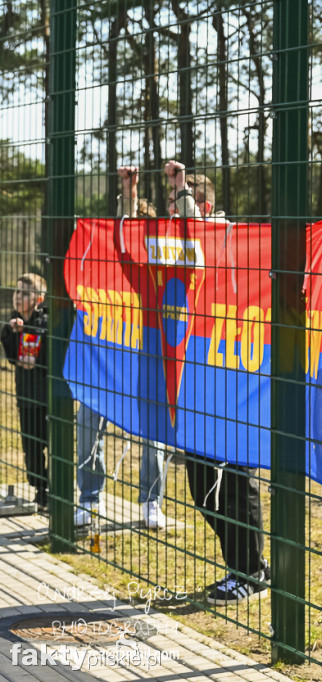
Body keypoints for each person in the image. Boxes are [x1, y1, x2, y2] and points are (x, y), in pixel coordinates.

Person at [164, 159, 268, 605]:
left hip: (230, 379)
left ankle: (251, 572)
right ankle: (241, 567)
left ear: (202, 204)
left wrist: (180, 186)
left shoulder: (223, 237)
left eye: (179, 202)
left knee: (235, 481)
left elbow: (195, 230)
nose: (171, 211)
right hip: (192, 386)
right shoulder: (177, 247)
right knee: (203, 490)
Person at [75, 165, 168, 530]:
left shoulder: (162, 263)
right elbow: (119, 236)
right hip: (110, 357)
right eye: (131, 229)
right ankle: (88, 499)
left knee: (155, 430)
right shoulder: (113, 261)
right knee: (87, 421)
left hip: (150, 357)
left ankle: (151, 502)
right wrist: (128, 196)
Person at [1, 274, 49, 510]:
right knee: (31, 448)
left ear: (38, 299)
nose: (19, 297)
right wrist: (13, 332)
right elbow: (13, 357)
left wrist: (28, 332)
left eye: (25, 293)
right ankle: (41, 489)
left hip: (48, 398)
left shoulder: (45, 322)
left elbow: (43, 355)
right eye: (17, 291)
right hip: (26, 397)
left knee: (53, 443)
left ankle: (56, 488)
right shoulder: (12, 323)